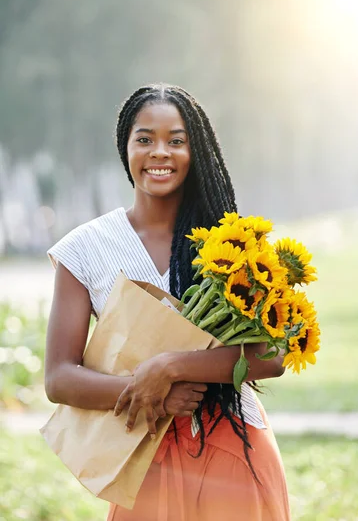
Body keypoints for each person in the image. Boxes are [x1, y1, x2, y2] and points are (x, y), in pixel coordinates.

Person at [44, 84, 291, 521]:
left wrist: (170, 366)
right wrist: (150, 392)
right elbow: (59, 378)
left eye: (176, 141)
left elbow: (271, 357)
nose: (160, 152)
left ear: (195, 152)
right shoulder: (85, 248)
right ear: (126, 148)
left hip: (233, 449)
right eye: (145, 139)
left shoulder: (231, 241)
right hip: (141, 457)